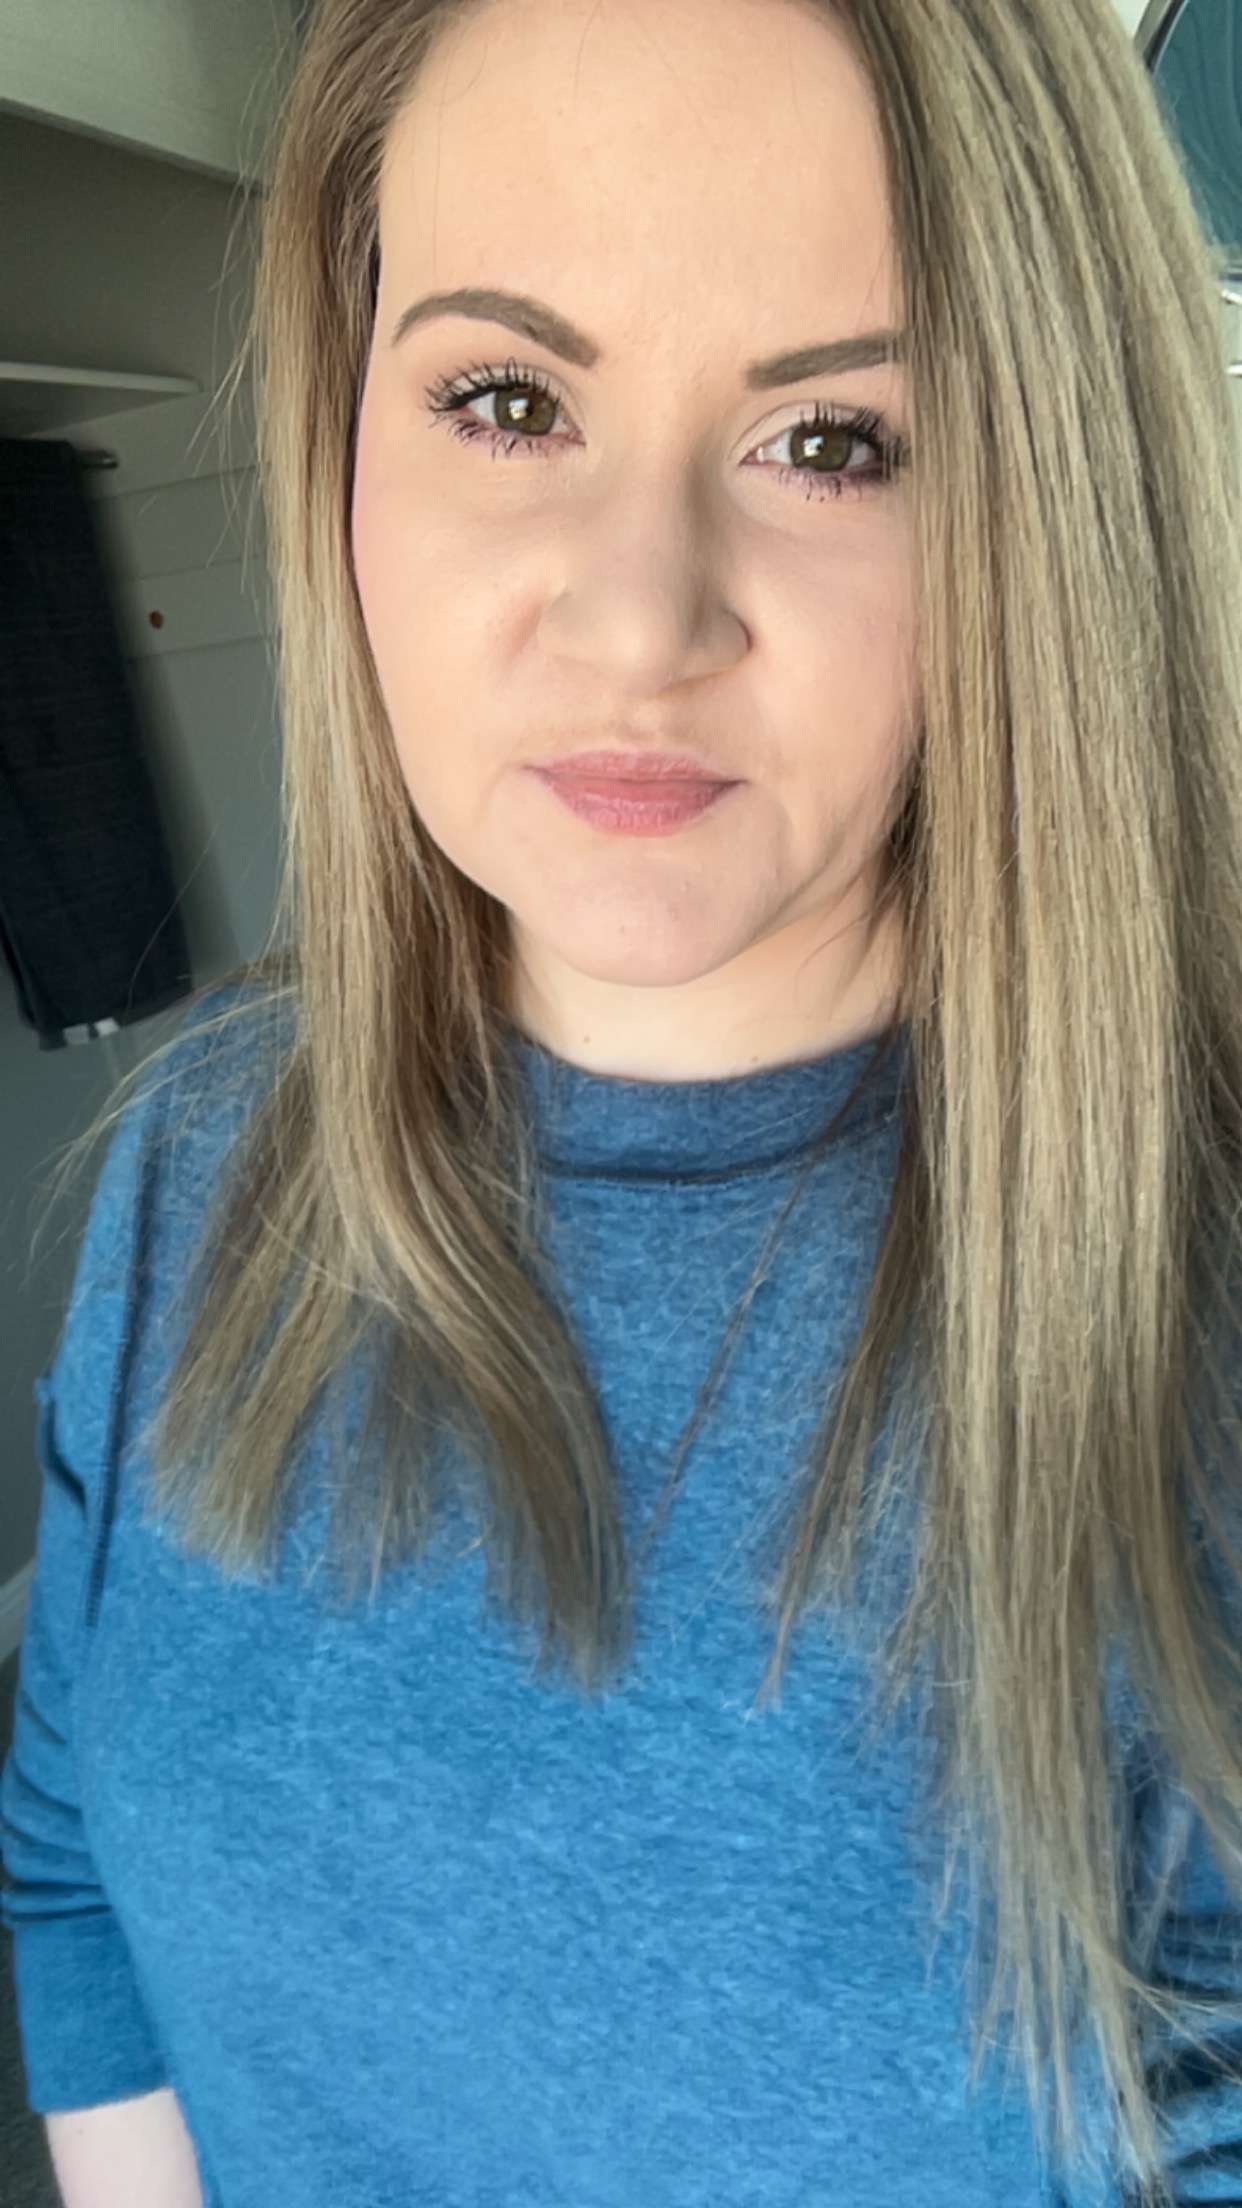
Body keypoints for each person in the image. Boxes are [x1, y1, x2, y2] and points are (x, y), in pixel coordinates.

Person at [5, 1, 1242, 2203]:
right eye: (508, 401)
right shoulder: (204, 1154)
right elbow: (74, 1859)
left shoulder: (1187, 1318)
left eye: (834, 439)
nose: (639, 619)